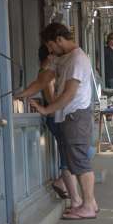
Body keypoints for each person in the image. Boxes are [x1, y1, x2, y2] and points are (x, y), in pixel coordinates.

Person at [16, 23, 97, 220]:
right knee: (74, 162)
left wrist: (46, 109)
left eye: (51, 45)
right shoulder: (61, 58)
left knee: (80, 162)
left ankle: (87, 205)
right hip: (68, 117)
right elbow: (43, 81)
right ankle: (88, 204)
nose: (49, 50)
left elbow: (69, 94)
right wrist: (20, 94)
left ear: (59, 40)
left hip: (76, 116)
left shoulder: (77, 59)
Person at [36, 45, 83, 206]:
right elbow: (52, 100)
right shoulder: (47, 74)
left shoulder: (52, 72)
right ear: (50, 56)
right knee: (67, 158)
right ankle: (74, 198)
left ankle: (67, 188)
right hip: (56, 117)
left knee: (74, 155)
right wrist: (66, 96)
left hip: (60, 116)